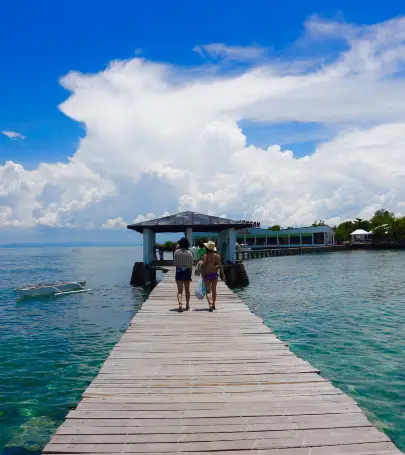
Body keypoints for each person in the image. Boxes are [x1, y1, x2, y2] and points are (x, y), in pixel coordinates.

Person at [173, 237, 193, 312]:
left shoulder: (176, 252)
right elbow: (191, 265)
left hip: (178, 271)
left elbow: (174, 263)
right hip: (187, 272)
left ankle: (180, 304)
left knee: (179, 291)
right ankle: (187, 304)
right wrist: (190, 275)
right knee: (187, 290)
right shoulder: (189, 252)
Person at [202, 240, 222, 312]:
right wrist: (224, 276)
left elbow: (203, 265)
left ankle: (210, 304)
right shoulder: (217, 256)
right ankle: (213, 304)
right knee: (214, 290)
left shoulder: (205, 255)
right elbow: (220, 266)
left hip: (207, 274)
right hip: (214, 274)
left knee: (208, 291)